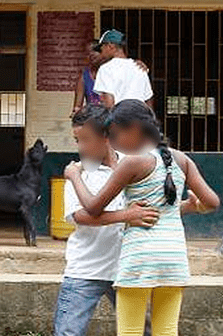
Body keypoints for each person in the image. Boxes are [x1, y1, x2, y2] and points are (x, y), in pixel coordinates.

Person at [64, 100, 220, 336]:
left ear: (135, 129)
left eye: (116, 134)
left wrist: (74, 176)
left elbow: (93, 208)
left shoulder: (131, 163)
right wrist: (193, 206)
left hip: (139, 260)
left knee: (131, 332)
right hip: (174, 259)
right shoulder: (181, 159)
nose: (114, 142)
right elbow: (212, 203)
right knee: (166, 330)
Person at [54, 104, 158, 336]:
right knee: (68, 332)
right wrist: (127, 215)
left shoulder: (133, 165)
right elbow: (81, 216)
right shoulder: (77, 172)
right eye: (76, 140)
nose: (80, 147)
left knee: (143, 331)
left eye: (85, 139)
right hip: (85, 269)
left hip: (126, 269)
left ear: (106, 137)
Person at [71, 42, 151, 118]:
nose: (91, 55)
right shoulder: (84, 77)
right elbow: (77, 106)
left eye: (96, 51)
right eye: (88, 53)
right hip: (95, 121)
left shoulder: (115, 71)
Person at [92, 30, 154, 109]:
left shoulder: (106, 69)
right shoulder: (139, 68)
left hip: (118, 118)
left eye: (102, 48)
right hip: (138, 118)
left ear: (110, 46)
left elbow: (108, 102)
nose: (101, 52)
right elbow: (148, 100)